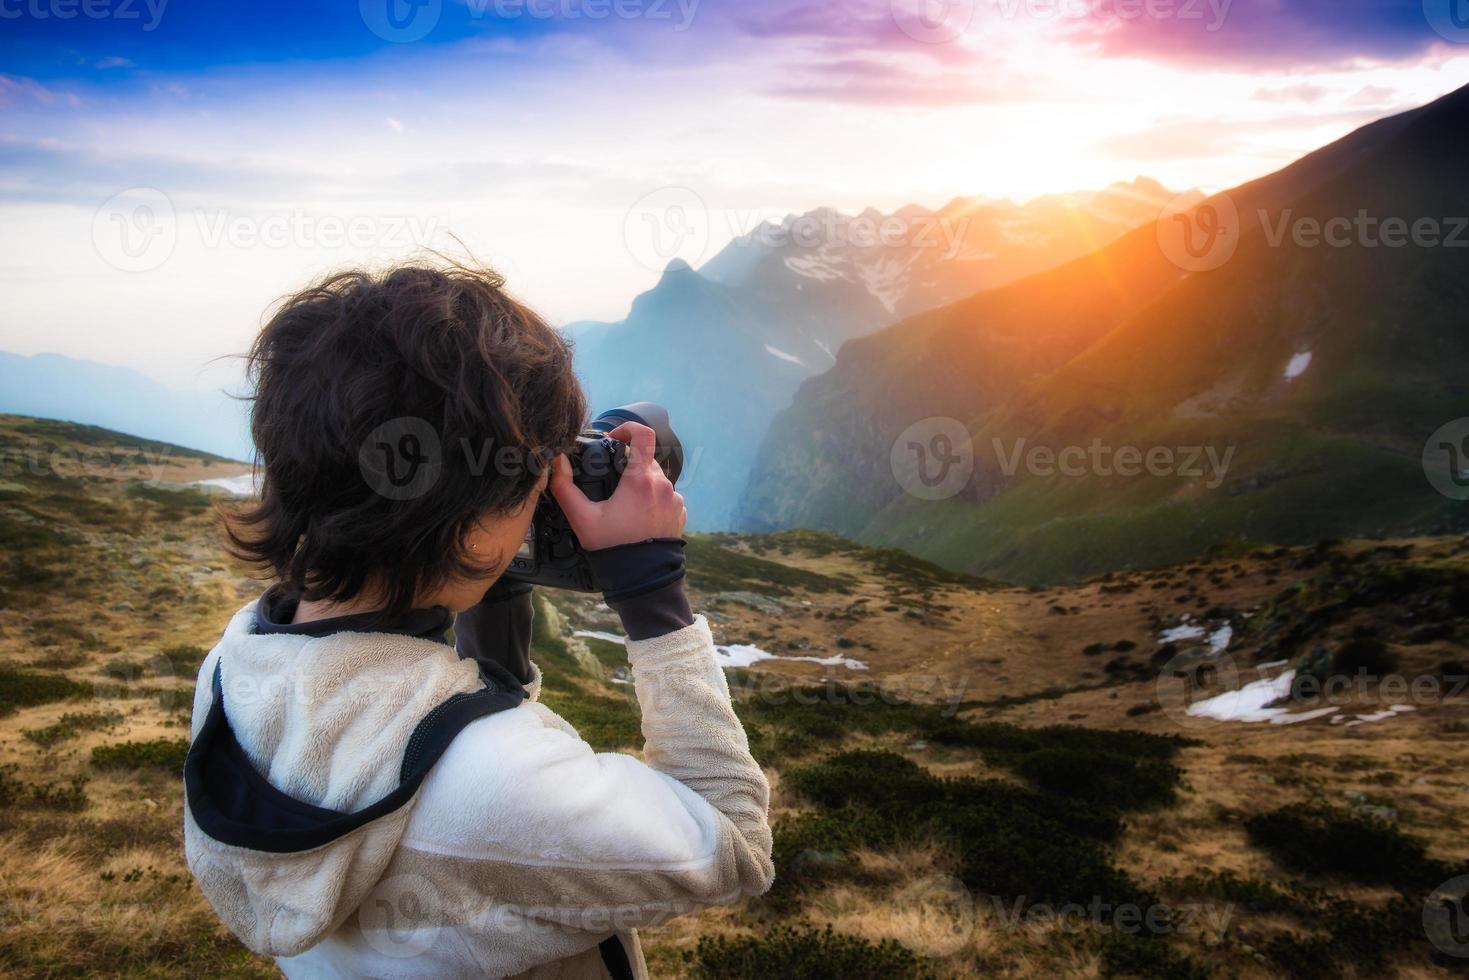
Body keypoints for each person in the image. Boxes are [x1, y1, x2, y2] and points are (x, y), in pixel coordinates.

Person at [182, 263, 774, 979]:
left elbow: (433, 721)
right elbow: (733, 840)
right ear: (470, 527)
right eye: (532, 484)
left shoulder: (231, 669)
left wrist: (491, 578)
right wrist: (652, 592)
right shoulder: (496, 786)